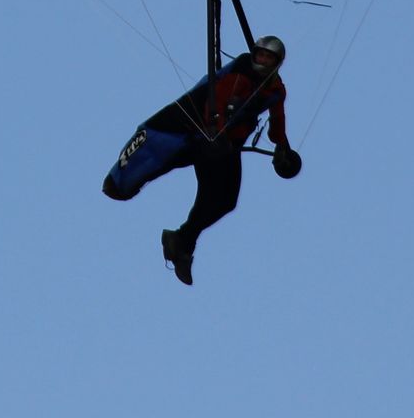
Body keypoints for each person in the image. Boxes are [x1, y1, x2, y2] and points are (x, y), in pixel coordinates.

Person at [101, 34, 299, 285]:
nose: (261, 60)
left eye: (268, 58)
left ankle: (182, 241)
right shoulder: (240, 73)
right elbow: (217, 99)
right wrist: (216, 129)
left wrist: (283, 147)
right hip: (204, 133)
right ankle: (123, 185)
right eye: (259, 55)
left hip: (224, 144)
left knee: (225, 201)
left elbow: (277, 123)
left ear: (277, 63)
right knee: (169, 161)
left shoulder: (275, 90)